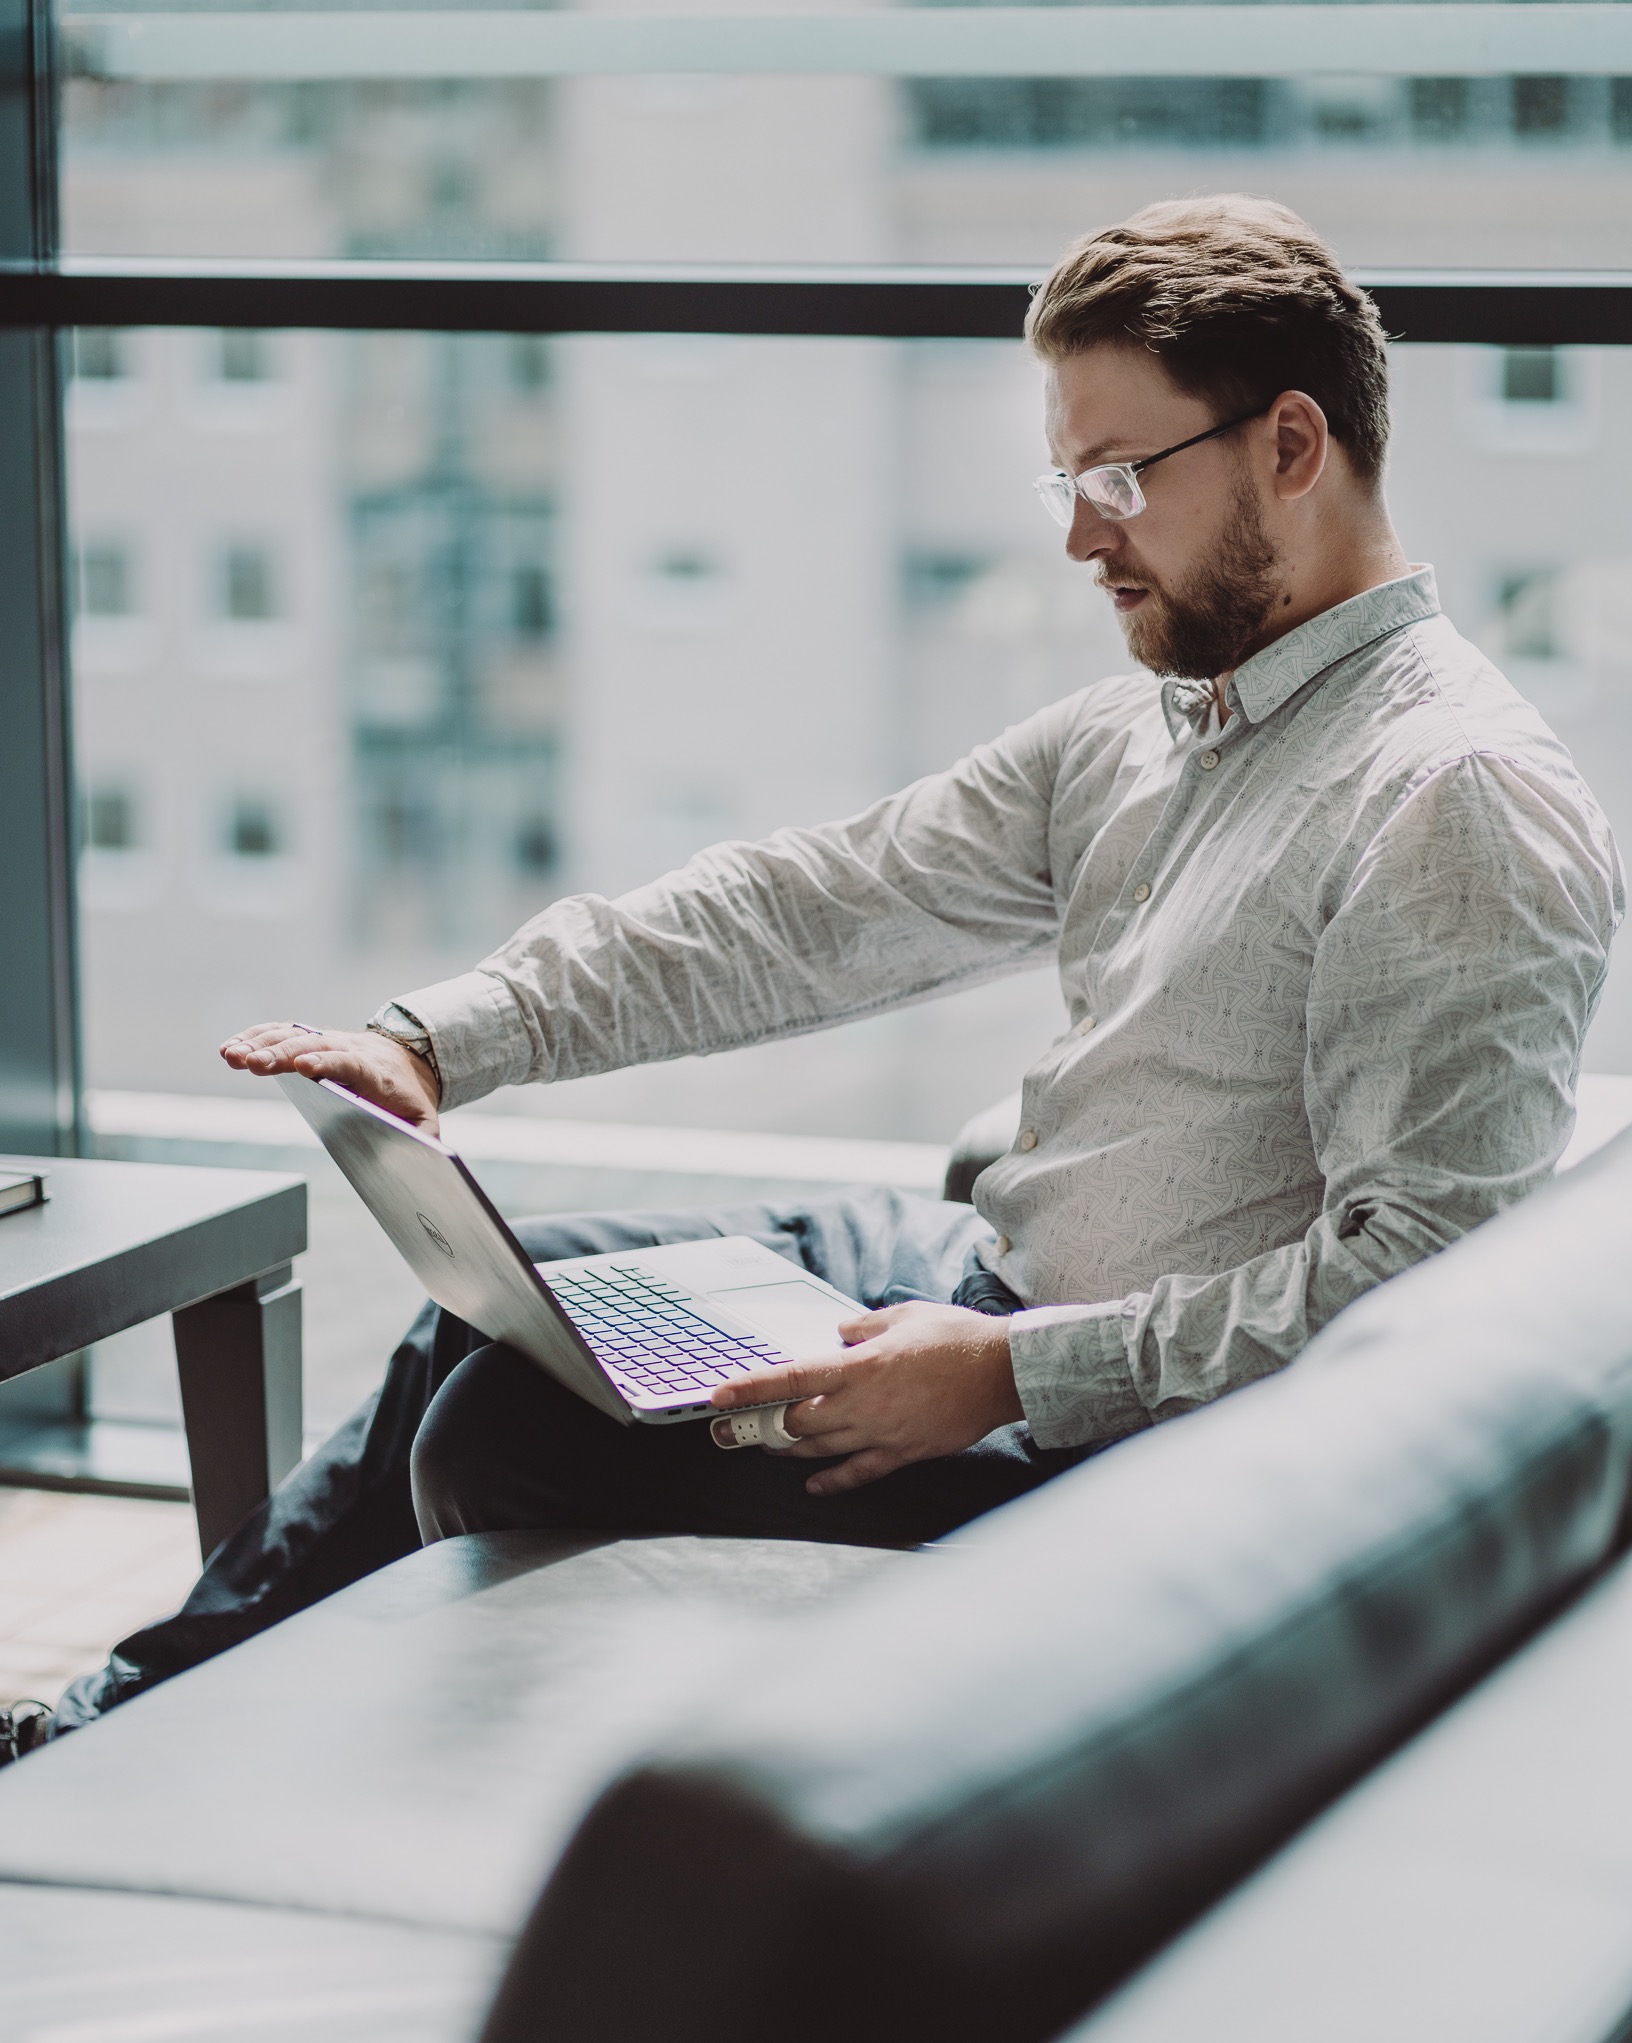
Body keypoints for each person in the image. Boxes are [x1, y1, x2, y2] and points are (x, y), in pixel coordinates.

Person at [15, 192, 1621, 1754]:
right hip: (973, 1270)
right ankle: (111, 1732)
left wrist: (1009, 1370)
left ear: (1290, 444)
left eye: (1120, 477)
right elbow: (813, 907)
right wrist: (446, 1036)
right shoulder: (1156, 726)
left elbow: (1422, 1288)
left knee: (498, 1433)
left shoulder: (1449, 800)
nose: (1078, 535)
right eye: (1064, 479)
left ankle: (533, 1858)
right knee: (496, 1319)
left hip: (1126, 1435)